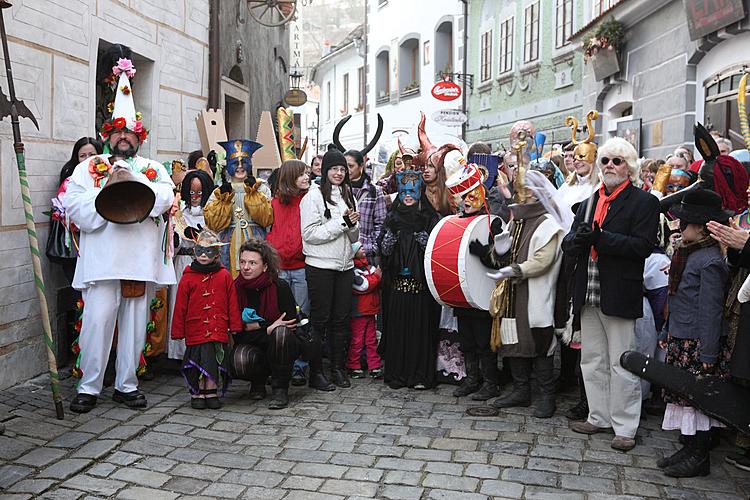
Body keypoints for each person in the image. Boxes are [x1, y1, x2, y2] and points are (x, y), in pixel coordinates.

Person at [64, 55, 176, 413]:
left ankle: (127, 384)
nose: (124, 137)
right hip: (102, 260)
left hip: (139, 261)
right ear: (108, 136)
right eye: (118, 133)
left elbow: (163, 198)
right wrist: (108, 188)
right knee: (97, 321)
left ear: (138, 137)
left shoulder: (153, 168)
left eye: (130, 133)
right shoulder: (89, 167)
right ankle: (90, 385)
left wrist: (132, 179)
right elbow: (75, 206)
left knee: (134, 325)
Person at [562, 136, 660, 451]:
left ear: (629, 167)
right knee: (592, 360)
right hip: (588, 292)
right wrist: (578, 240)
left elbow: (642, 247)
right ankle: (598, 415)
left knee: (622, 362)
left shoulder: (644, 202)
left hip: (618, 293)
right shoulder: (591, 200)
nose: (609, 166)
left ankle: (625, 427)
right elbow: (568, 242)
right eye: (605, 160)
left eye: (616, 161)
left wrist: (601, 238)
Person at [657, 189, 731, 477]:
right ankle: (688, 447)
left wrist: (708, 354)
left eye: (684, 222)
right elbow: (676, 298)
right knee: (684, 397)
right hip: (681, 335)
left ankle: (700, 455)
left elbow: (710, 311)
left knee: (698, 402)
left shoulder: (709, 261)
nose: (678, 226)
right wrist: (667, 329)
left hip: (698, 343)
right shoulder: (687, 253)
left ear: (700, 228)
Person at [488, 170, 570, 418]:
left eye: (528, 190)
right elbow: (507, 252)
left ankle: (546, 396)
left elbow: (542, 261)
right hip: (513, 294)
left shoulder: (549, 224)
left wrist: (513, 270)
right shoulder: (516, 221)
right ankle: (521, 390)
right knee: (513, 338)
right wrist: (499, 251)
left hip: (535, 294)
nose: (521, 194)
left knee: (539, 341)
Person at [300, 148, 360, 389]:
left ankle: (338, 368)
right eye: (335, 169)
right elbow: (310, 234)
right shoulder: (312, 198)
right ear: (325, 171)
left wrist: (351, 224)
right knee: (320, 321)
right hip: (320, 266)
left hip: (345, 266)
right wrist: (342, 222)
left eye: (343, 169)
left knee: (341, 321)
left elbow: (353, 235)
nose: (339, 173)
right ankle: (316, 373)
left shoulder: (348, 195)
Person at [378, 169, 440, 389]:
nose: (407, 195)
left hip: (421, 288)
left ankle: (420, 375)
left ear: (419, 191)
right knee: (397, 331)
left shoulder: (430, 218)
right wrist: (389, 242)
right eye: (403, 190)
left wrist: (425, 243)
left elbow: (437, 252)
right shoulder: (392, 217)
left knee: (419, 332)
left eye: (412, 190)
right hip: (397, 287)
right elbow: (383, 252)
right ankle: (398, 374)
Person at [449, 166, 504, 401]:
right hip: (463, 293)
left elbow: (502, 261)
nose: (467, 202)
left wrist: (484, 253)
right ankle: (472, 379)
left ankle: (491, 383)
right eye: (464, 198)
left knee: (484, 342)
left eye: (472, 196)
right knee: (468, 341)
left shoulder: (494, 223)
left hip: (484, 295)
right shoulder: (457, 222)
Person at [171, 230, 240, 409]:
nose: (203, 254)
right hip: (195, 327)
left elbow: (232, 302)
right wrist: (177, 331)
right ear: (194, 251)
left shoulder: (224, 276)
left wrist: (234, 326)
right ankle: (197, 392)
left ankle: (211, 391)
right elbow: (180, 306)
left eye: (208, 251)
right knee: (197, 360)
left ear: (217, 253)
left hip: (218, 326)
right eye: (200, 249)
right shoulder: (187, 277)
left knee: (214, 360)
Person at [233, 239, 301, 409]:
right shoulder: (235, 288)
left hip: (281, 346)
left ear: (265, 267)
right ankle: (258, 381)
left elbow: (290, 324)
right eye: (243, 262)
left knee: (282, 334)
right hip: (251, 344)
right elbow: (238, 332)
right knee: (239, 360)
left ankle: (280, 388)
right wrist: (269, 327)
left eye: (252, 263)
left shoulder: (280, 286)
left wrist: (258, 327)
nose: (246, 267)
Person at [266, 159, 311, 386]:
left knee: (301, 317)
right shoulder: (273, 203)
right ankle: (278, 365)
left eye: (308, 174)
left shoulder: (309, 200)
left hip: (302, 267)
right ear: (290, 177)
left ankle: (299, 367)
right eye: (302, 174)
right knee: (280, 317)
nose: (306, 178)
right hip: (280, 268)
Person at [204, 139, 273, 277]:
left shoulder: (261, 189)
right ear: (229, 166)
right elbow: (213, 223)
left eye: (244, 163)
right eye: (236, 163)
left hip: (255, 239)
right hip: (227, 242)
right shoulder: (219, 192)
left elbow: (266, 218)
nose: (240, 167)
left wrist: (253, 194)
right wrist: (224, 200)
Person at [167, 169, 215, 361]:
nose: (195, 198)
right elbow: (171, 243)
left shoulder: (212, 214)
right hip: (183, 265)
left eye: (200, 194)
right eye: (192, 193)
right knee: (180, 306)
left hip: (206, 265)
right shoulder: (178, 214)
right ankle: (178, 353)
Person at [51, 137, 103, 284]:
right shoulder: (71, 181)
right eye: (82, 156)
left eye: (92, 155)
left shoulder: (108, 176)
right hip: (78, 246)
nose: (87, 159)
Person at [346, 241, 383, 378]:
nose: (363, 248)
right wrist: (377, 278)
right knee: (357, 340)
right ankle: (353, 365)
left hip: (371, 310)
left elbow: (375, 275)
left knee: (371, 339)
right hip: (359, 312)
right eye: (359, 247)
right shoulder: (353, 270)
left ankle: (374, 365)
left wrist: (375, 277)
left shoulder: (368, 267)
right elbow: (363, 286)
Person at [413, 112, 459, 216]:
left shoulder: (451, 193)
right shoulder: (416, 191)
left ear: (439, 168)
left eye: (430, 166)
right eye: (423, 166)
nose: (425, 170)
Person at [345, 150, 387, 263]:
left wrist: (371, 248)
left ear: (361, 166)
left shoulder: (374, 191)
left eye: (351, 166)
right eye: (344, 166)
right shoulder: (337, 190)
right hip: (342, 254)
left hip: (366, 256)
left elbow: (381, 224)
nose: (346, 170)